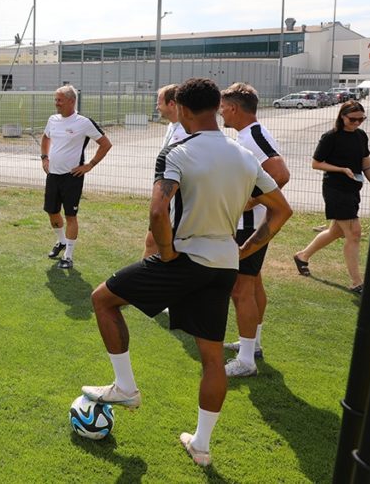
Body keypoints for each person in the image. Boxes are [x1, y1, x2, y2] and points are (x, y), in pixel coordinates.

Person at [81, 78, 292, 467]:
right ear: (216, 108)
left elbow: (159, 211)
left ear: (182, 109)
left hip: (187, 259)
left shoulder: (177, 151)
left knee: (103, 300)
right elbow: (282, 210)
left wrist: (166, 254)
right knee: (212, 359)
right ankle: (201, 445)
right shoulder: (244, 156)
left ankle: (125, 386)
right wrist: (245, 250)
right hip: (224, 265)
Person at [219, 83, 290, 377]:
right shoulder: (248, 135)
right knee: (253, 284)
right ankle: (253, 344)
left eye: (223, 106)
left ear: (234, 108)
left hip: (249, 227)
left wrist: (250, 202)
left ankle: (246, 361)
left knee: (241, 289)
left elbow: (280, 172)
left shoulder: (254, 136)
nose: (220, 112)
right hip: (248, 225)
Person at [294, 100, 370, 294]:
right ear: (342, 116)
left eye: (361, 119)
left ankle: (302, 256)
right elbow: (316, 163)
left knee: (336, 232)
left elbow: (366, 164)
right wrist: (341, 169)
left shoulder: (361, 136)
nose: (357, 123)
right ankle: (357, 282)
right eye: (353, 119)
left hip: (353, 189)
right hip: (335, 189)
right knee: (354, 233)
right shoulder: (330, 137)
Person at [40, 85, 112, 269]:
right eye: (55, 99)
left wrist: (90, 165)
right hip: (53, 175)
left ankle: (68, 256)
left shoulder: (84, 122)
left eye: (59, 100)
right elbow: (45, 138)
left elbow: (105, 144)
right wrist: (44, 158)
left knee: (71, 215)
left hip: (72, 176)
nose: (56, 103)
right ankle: (61, 241)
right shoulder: (52, 119)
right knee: (52, 212)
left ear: (72, 101)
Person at [143, 84, 187, 257]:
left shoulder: (186, 131)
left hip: (177, 199)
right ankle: (143, 281)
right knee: (152, 240)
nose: (156, 106)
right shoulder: (172, 126)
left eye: (159, 101)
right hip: (165, 197)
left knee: (171, 245)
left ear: (172, 104)